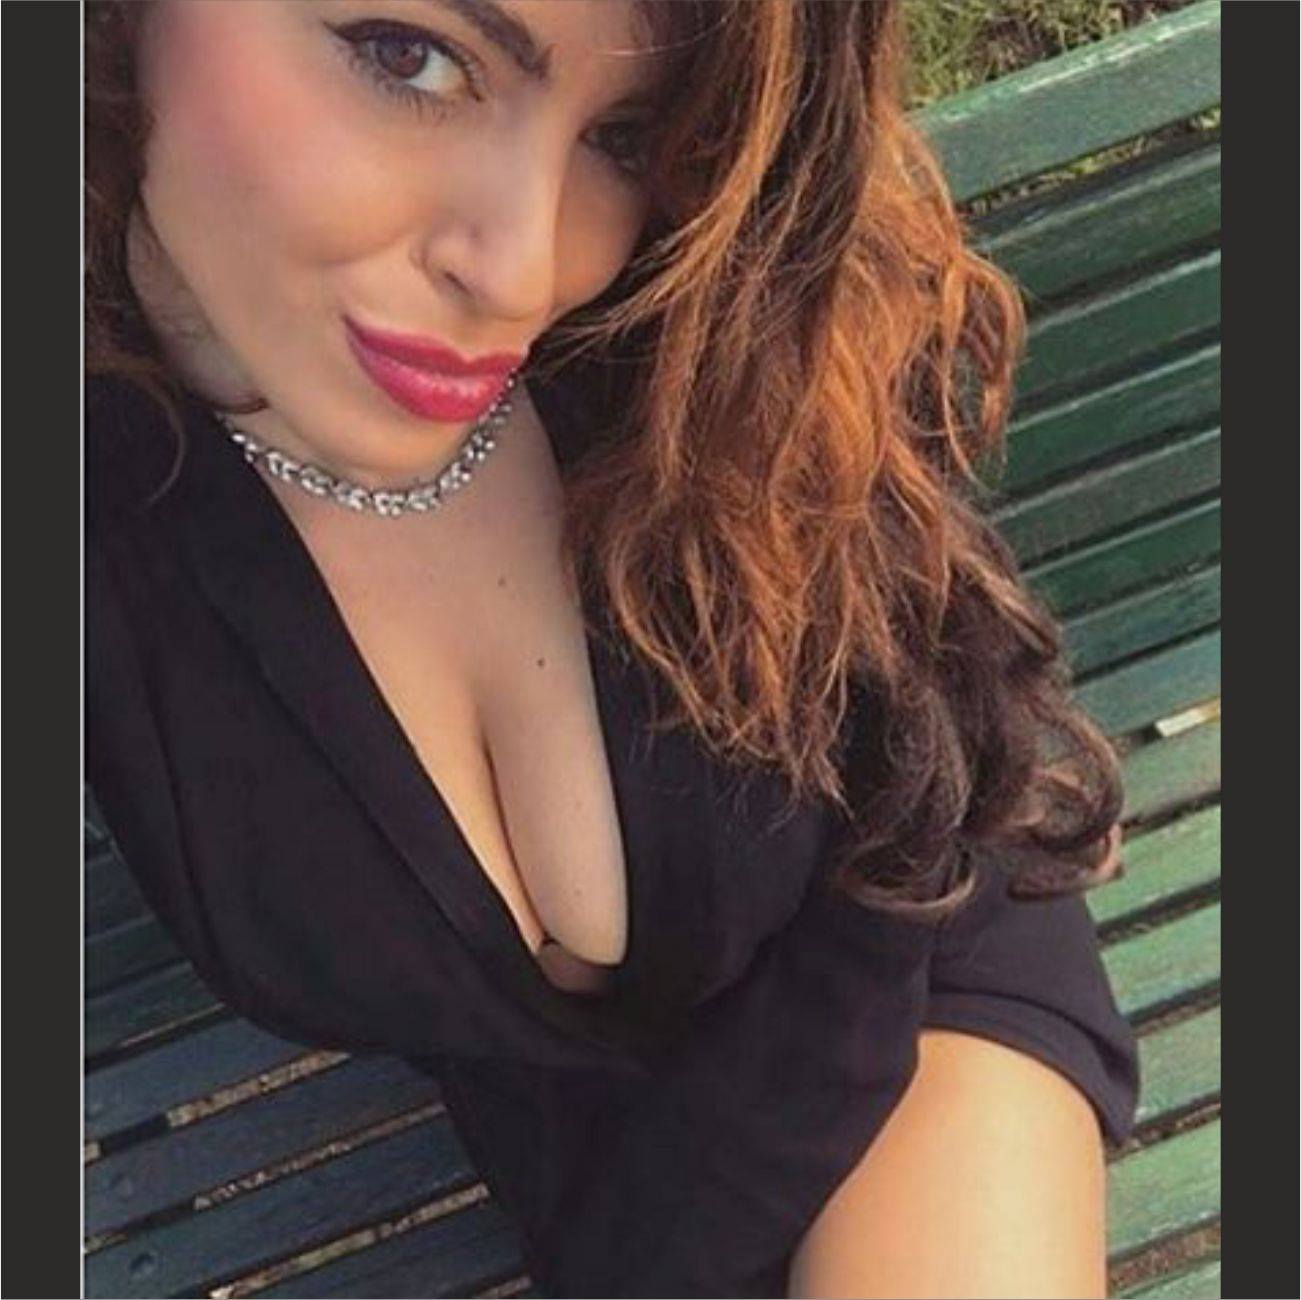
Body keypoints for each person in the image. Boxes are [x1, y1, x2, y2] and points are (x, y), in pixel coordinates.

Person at [85, 2, 1140, 1296]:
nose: (524, 272)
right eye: (408, 56)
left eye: (627, 134)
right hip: (617, 1191)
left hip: (908, 971)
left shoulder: (704, 308)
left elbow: (916, 807)